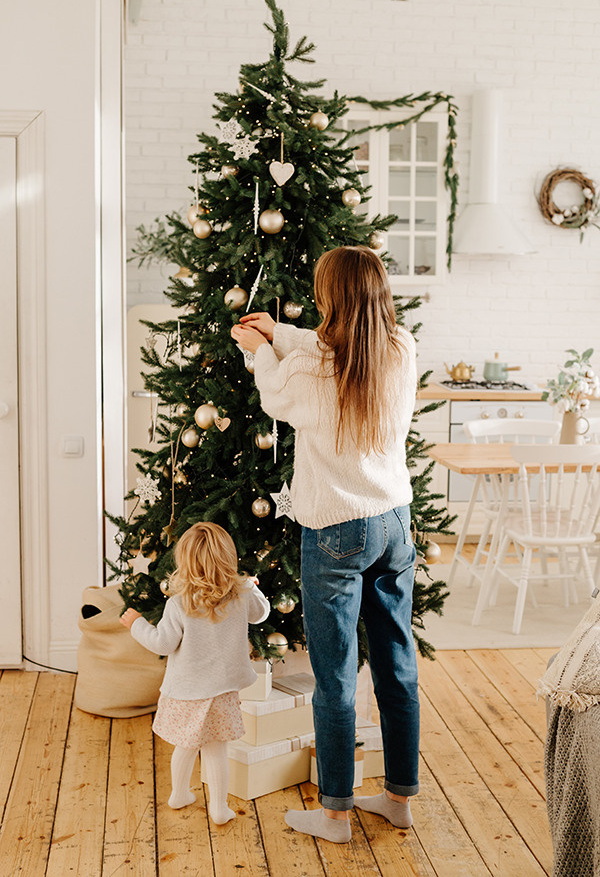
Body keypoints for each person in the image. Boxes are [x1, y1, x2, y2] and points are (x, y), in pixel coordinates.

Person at [231, 245, 419, 844]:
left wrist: (258, 349)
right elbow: (325, 347)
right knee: (396, 664)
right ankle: (399, 799)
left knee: (334, 678)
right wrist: (277, 331)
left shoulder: (312, 372)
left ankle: (335, 814)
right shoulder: (400, 347)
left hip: (337, 529)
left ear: (328, 298)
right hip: (394, 523)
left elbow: (275, 391)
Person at [120, 521, 270, 825]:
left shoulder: (179, 603)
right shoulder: (241, 594)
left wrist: (136, 624)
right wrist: (252, 586)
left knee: (186, 745)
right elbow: (261, 614)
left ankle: (179, 794)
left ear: (184, 562)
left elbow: (162, 643)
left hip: (187, 691)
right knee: (216, 750)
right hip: (222, 691)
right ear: (229, 557)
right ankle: (219, 808)